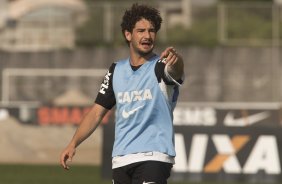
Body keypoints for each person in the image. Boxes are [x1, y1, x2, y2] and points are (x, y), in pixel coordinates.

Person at [60, 3, 184, 184]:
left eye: (151, 30)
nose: (147, 36)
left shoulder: (162, 66)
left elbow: (176, 71)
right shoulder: (116, 70)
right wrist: (73, 143)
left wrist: (177, 59)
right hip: (121, 159)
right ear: (128, 34)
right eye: (141, 30)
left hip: (154, 156)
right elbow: (96, 113)